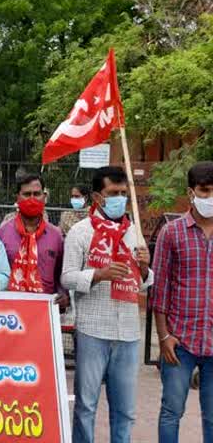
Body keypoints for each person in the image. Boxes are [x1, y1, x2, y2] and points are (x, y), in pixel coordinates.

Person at [61, 166, 152, 443]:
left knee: (124, 411)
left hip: (127, 332)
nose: (120, 199)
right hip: (92, 330)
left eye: (124, 193)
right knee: (86, 406)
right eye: (114, 193)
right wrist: (98, 274)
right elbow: (66, 277)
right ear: (98, 197)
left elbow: (146, 282)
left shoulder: (132, 232)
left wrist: (146, 269)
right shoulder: (81, 231)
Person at [152, 161, 213, 443]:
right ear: (191, 193)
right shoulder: (171, 233)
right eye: (205, 191)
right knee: (171, 411)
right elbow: (160, 289)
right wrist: (164, 336)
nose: (210, 197)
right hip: (180, 342)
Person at [0, 175, 69, 306]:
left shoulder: (56, 236)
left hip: (44, 312)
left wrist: (63, 295)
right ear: (17, 198)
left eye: (36, 194)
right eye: (26, 194)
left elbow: (61, 275)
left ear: (44, 197)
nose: (32, 199)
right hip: (9, 310)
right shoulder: (2, 233)